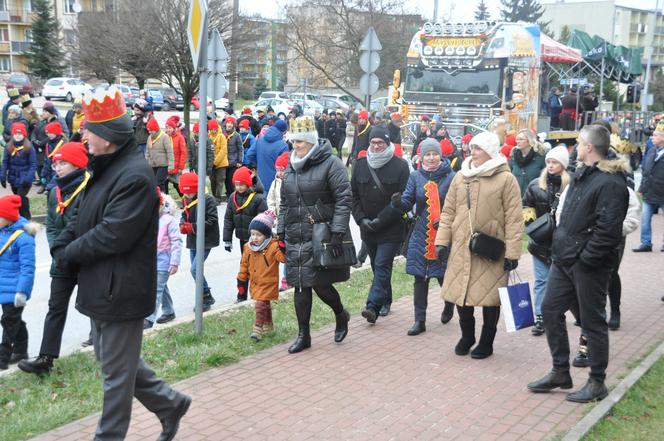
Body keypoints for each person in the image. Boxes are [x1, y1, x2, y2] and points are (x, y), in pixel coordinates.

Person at [49, 87, 191, 438]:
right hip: (102, 285)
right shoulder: (105, 167)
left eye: (88, 129)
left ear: (109, 137)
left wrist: (69, 253)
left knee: (115, 376)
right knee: (112, 359)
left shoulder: (134, 176)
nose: (82, 134)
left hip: (121, 290)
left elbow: (114, 234)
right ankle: (169, 403)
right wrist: (63, 242)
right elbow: (82, 212)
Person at [527, 125, 628, 403]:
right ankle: (560, 371)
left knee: (592, 322)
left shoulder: (611, 182)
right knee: (549, 310)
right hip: (564, 260)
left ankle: (597, 382)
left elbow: (608, 231)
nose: (574, 147)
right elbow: (569, 217)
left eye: (579, 142)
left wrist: (586, 259)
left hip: (588, 266)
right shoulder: (582, 175)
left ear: (589, 147)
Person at [436, 132, 523, 359]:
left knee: (490, 298)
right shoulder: (460, 176)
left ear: (490, 152)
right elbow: (448, 212)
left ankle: (486, 341)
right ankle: (467, 336)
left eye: (478, 149)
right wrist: (442, 240)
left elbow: (514, 218)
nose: (472, 152)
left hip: (491, 250)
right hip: (462, 248)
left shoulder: (506, 179)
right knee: (460, 294)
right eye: (471, 148)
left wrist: (513, 253)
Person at [277, 116, 352, 353]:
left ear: (310, 141)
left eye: (300, 141)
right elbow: (285, 202)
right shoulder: (290, 166)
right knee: (300, 285)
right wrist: (280, 230)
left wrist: (338, 230)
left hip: (320, 233)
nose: (295, 146)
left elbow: (343, 198)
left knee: (321, 286)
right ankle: (303, 335)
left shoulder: (331, 164)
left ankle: (340, 314)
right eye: (293, 141)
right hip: (294, 234)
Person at [17, 142, 90, 375]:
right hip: (61, 261)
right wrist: (56, 252)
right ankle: (45, 359)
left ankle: (104, 349)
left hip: (86, 259)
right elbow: (51, 226)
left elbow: (88, 227)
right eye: (56, 163)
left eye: (63, 163)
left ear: (77, 164)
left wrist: (70, 252)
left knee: (95, 307)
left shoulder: (90, 188)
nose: (57, 168)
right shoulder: (55, 192)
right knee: (55, 308)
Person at [397, 138, 456, 335]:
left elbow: (459, 206)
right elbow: (407, 200)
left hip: (444, 233)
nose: (431, 158)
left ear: (441, 155)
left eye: (434, 154)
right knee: (419, 277)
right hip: (421, 232)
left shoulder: (452, 177)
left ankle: (449, 303)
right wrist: (398, 204)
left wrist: (448, 221)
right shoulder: (415, 176)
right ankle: (419, 321)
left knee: (442, 275)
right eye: (427, 154)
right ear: (421, 157)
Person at [352, 125, 409, 323]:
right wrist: (361, 220)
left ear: (387, 143)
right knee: (379, 269)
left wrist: (381, 220)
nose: (376, 146)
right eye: (373, 142)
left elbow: (403, 200)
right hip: (368, 228)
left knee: (382, 264)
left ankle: (372, 307)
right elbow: (354, 197)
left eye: (380, 143)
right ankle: (386, 300)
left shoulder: (401, 166)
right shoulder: (359, 165)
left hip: (390, 228)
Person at [522, 145, 570, 336]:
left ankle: (558, 313)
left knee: (559, 281)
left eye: (555, 162)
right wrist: (532, 226)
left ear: (563, 165)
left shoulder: (571, 185)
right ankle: (540, 316)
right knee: (541, 280)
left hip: (562, 242)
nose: (551, 165)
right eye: (549, 161)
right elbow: (527, 205)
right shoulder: (536, 184)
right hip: (540, 241)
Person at [237, 210, 286, 341]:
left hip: (268, 282)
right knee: (265, 303)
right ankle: (268, 325)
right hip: (255, 282)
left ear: (266, 235)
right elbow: (244, 264)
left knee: (260, 304)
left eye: (258, 235)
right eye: (252, 234)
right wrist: (241, 280)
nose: (255, 238)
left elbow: (283, 258)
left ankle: (257, 329)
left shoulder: (273, 246)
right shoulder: (248, 247)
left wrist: (283, 247)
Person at [0, 195, 36, 370]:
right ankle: (21, 351)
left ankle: (2, 358)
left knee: (8, 320)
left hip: (15, 289)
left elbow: (27, 269)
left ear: (7, 217)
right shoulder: (2, 231)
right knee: (13, 320)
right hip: (3, 286)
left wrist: (22, 292)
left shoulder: (24, 238)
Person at [223, 166, 268, 302]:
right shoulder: (233, 197)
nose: (239, 187)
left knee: (257, 268)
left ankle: (259, 294)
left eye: (241, 184)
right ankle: (241, 296)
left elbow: (264, 220)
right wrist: (227, 239)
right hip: (243, 240)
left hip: (257, 241)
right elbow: (228, 219)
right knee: (244, 268)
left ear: (248, 183)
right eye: (236, 184)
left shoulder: (258, 199)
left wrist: (261, 238)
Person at [178, 172, 219, 312]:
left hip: (206, 240)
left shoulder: (208, 199)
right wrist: (182, 224)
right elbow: (184, 214)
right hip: (193, 240)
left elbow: (212, 220)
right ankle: (205, 296)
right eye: (185, 193)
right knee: (196, 270)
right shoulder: (186, 199)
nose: (187, 196)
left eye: (189, 193)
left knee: (195, 269)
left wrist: (193, 227)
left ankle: (206, 296)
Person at [143, 188, 181, 329]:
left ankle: (149, 319)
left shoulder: (169, 221)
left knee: (155, 289)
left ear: (161, 205)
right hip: (152, 260)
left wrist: (174, 262)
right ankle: (169, 311)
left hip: (165, 260)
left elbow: (176, 242)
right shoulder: (149, 219)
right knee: (161, 287)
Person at [633, 122, 664, 253]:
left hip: (662, 190)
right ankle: (645, 243)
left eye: (656, 135)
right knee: (645, 218)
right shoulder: (651, 150)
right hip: (649, 190)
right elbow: (646, 170)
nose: (652, 137)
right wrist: (641, 188)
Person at [1, 124, 36, 220]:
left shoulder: (29, 147)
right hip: (13, 177)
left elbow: (33, 164)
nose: (17, 135)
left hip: (25, 176)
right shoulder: (9, 146)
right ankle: (19, 217)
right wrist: (3, 176)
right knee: (17, 198)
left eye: (20, 133)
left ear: (24, 134)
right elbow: (5, 162)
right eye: (15, 133)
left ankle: (26, 218)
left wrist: (29, 178)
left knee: (21, 197)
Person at [244, 119, 289, 193]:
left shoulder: (260, 139)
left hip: (260, 179)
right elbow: (284, 165)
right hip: (276, 181)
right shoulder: (283, 146)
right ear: (284, 132)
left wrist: (258, 162)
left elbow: (249, 154)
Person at [267, 151, 290, 291]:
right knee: (280, 250)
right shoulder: (275, 183)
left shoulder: (291, 181)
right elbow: (271, 200)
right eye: (278, 170)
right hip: (278, 222)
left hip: (290, 221)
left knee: (288, 250)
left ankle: (287, 278)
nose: (280, 172)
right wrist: (272, 214)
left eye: (282, 169)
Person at [510, 129, 546, 196]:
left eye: (521, 139)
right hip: (516, 197)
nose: (518, 141)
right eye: (517, 139)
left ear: (529, 140)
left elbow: (545, 178)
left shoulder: (540, 157)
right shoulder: (513, 157)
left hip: (533, 197)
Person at [146, 117, 174, 193]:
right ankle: (158, 198)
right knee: (154, 183)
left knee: (159, 183)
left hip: (163, 165)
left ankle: (163, 199)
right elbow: (147, 151)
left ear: (155, 129)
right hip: (152, 165)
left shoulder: (165, 137)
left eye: (151, 130)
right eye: (148, 131)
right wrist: (147, 163)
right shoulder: (149, 138)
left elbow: (170, 152)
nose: (149, 132)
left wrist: (171, 165)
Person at [40, 122, 66, 194]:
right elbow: (46, 159)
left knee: (54, 192)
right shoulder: (48, 143)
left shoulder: (63, 144)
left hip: (58, 170)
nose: (49, 135)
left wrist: (49, 187)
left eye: (51, 133)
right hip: (49, 169)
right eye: (47, 133)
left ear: (57, 132)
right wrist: (43, 174)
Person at [165, 116, 187, 199]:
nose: (168, 130)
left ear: (174, 128)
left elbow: (183, 153)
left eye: (170, 128)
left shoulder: (180, 137)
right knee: (164, 185)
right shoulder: (165, 137)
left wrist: (181, 167)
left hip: (176, 167)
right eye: (167, 128)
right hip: (166, 167)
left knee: (177, 185)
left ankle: (184, 200)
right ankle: (166, 202)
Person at [208, 119, 229, 203]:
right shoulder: (208, 137)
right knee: (212, 181)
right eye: (212, 129)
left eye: (215, 129)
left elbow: (223, 151)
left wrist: (215, 162)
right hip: (211, 163)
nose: (214, 131)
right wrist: (210, 162)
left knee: (219, 181)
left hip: (221, 164)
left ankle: (218, 198)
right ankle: (213, 196)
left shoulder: (222, 136)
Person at [223, 116, 244, 197]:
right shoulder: (222, 134)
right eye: (228, 123)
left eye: (231, 123)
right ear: (226, 124)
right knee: (224, 178)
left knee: (231, 179)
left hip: (233, 161)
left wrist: (239, 161)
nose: (230, 125)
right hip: (224, 161)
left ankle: (231, 194)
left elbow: (240, 148)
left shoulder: (236, 135)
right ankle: (228, 192)